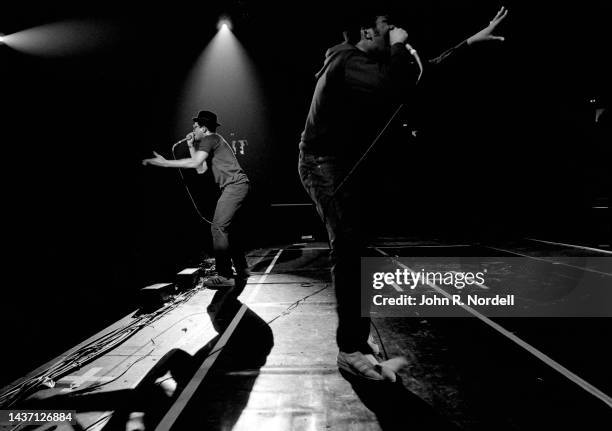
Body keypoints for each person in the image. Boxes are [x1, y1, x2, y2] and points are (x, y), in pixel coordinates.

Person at [298, 7, 508, 380]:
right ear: (366, 31)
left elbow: (419, 73)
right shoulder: (348, 61)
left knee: (356, 247)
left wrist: (469, 42)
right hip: (323, 164)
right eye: (386, 25)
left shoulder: (368, 62)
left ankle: (356, 342)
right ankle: (350, 348)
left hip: (346, 164)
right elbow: (395, 86)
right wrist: (399, 47)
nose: (395, 29)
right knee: (347, 248)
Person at [143, 110, 250, 288]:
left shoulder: (212, 139)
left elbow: (193, 164)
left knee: (218, 227)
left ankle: (225, 275)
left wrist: (165, 163)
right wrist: (192, 146)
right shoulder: (212, 141)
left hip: (235, 186)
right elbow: (200, 168)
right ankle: (242, 268)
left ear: (203, 127)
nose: (192, 130)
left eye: (195, 127)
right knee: (228, 228)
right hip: (236, 186)